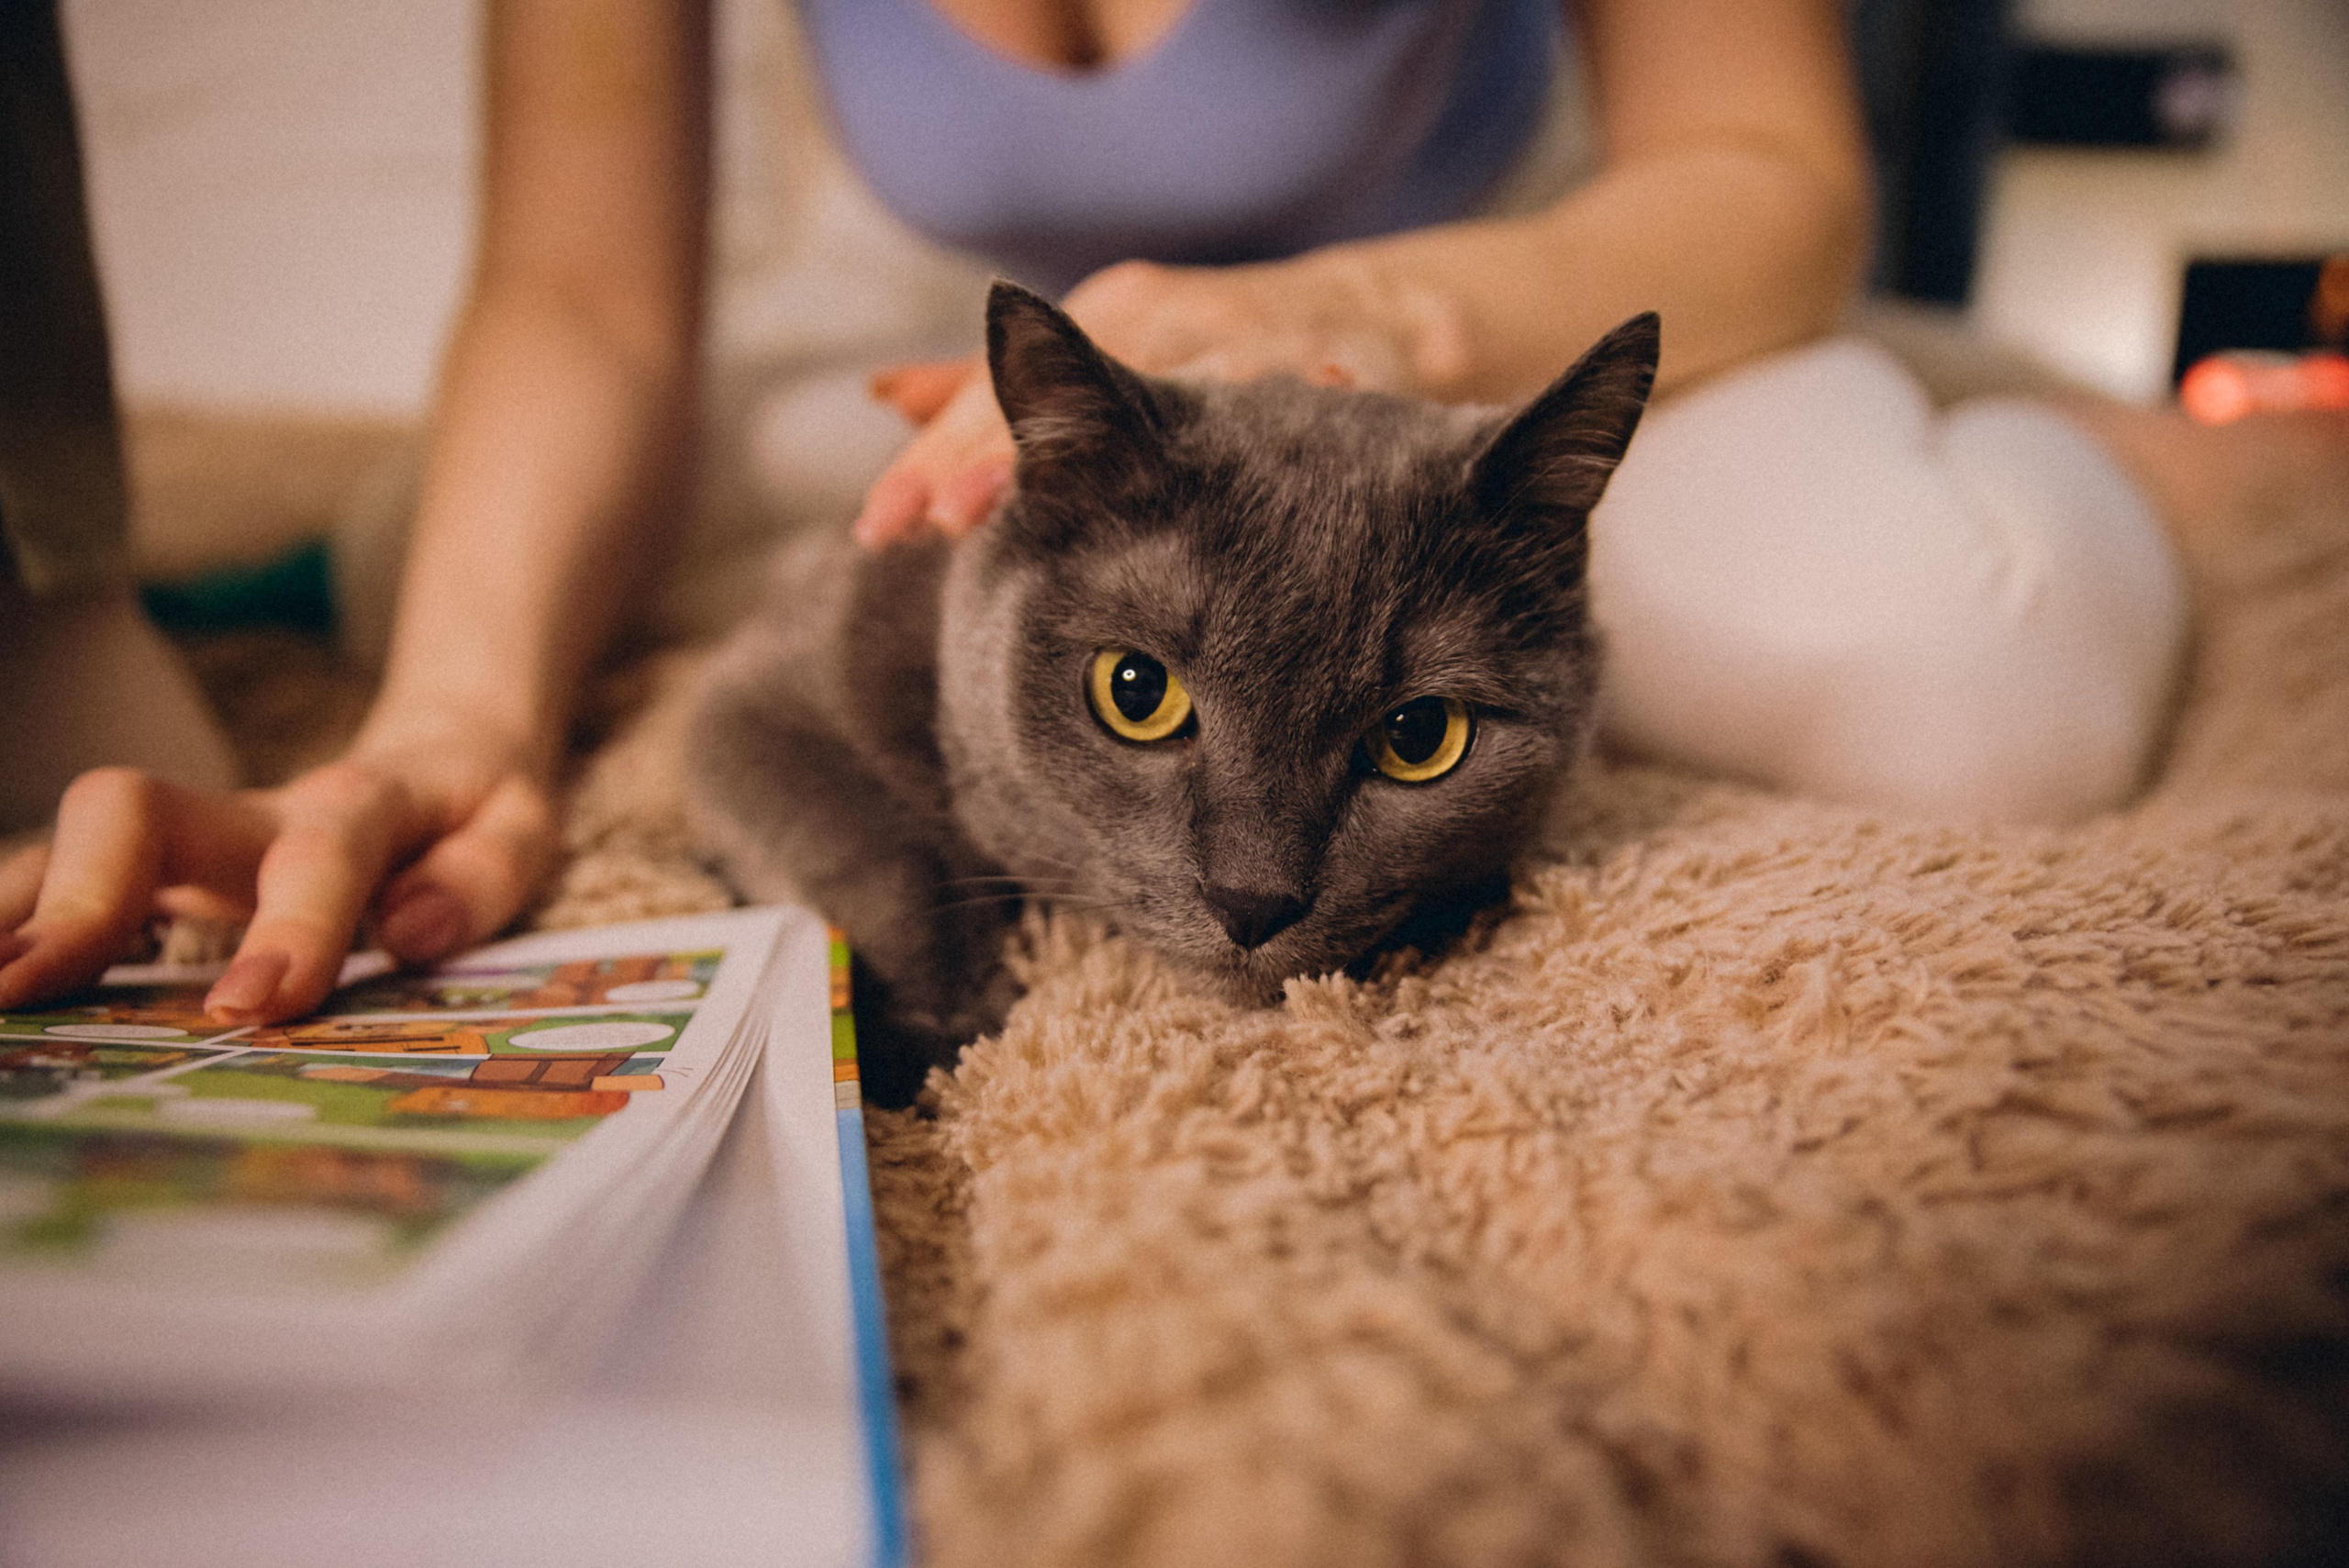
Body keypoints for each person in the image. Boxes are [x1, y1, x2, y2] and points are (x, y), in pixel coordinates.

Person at [1, 0, 2336, 1029]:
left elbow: (1765, 174)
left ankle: (2075, 428)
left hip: (1481, 345)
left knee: (1972, 683)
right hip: (1020, 371)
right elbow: (586, 298)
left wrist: (1360, 307)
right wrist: (458, 722)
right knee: (428, 550)